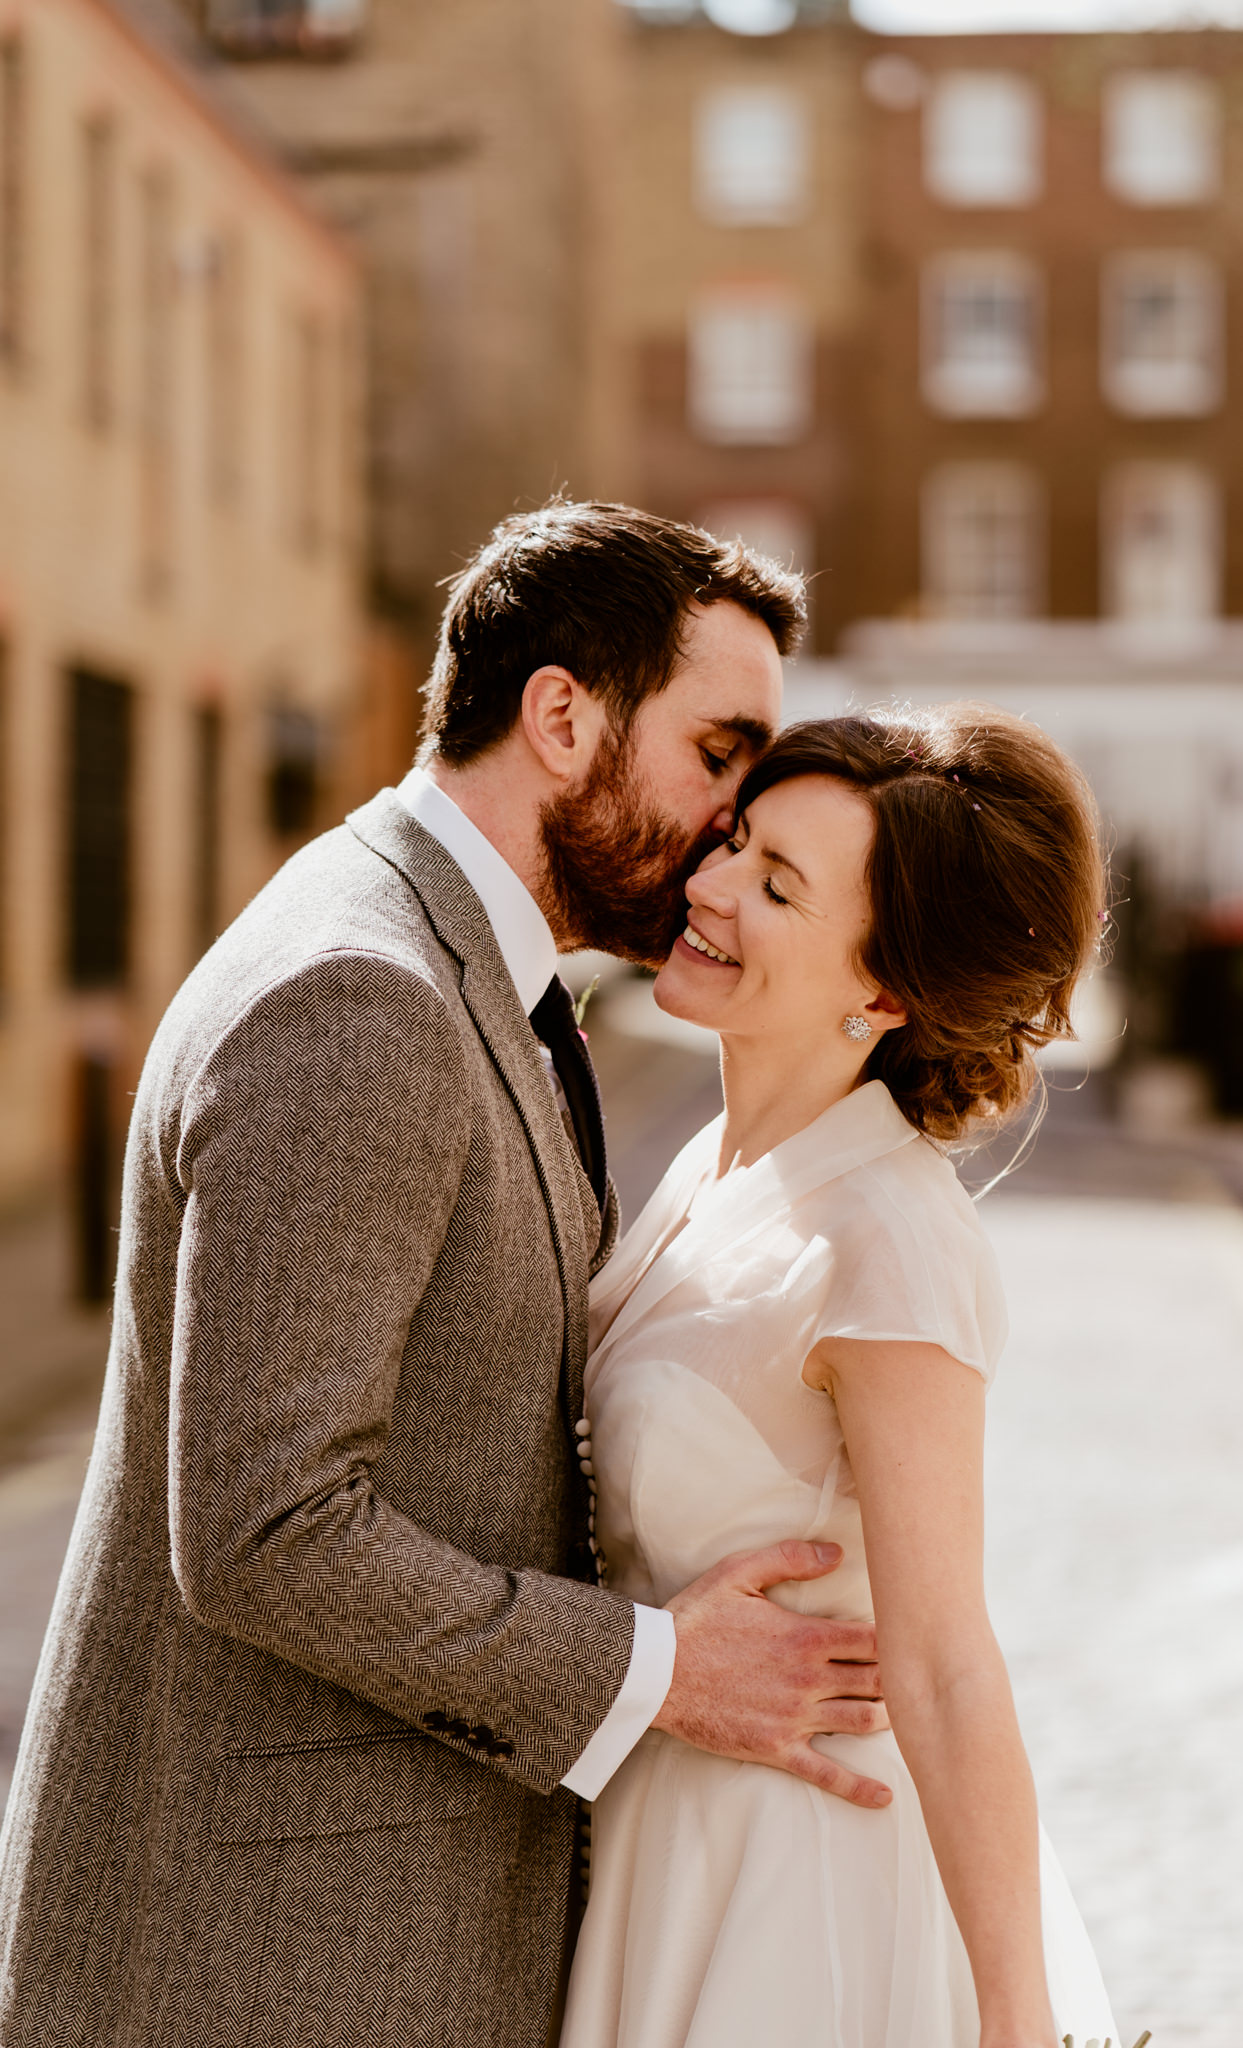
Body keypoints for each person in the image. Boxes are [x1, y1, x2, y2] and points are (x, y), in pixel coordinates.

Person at [0, 504, 892, 2048]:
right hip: (267, 1968)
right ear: (562, 717)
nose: (730, 824)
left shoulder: (445, 958)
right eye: (717, 755)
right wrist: (659, 1671)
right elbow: (268, 1530)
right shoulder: (365, 999)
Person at [561, 709, 1122, 2048]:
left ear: (880, 996)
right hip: (662, 1837)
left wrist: (1015, 2020)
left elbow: (946, 1664)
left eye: (776, 886)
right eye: (736, 843)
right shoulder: (709, 1168)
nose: (708, 887)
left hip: (797, 1883)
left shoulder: (889, 1237)